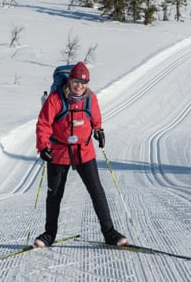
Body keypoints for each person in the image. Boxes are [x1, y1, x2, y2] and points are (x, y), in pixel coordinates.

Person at [34, 62, 127, 248]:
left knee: (97, 191)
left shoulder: (90, 98)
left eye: (84, 83)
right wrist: (43, 146)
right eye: (76, 81)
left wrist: (98, 130)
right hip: (59, 151)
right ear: (70, 80)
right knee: (54, 195)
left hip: (83, 151)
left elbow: (96, 117)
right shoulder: (55, 99)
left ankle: (109, 233)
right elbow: (43, 124)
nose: (80, 86)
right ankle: (49, 234)